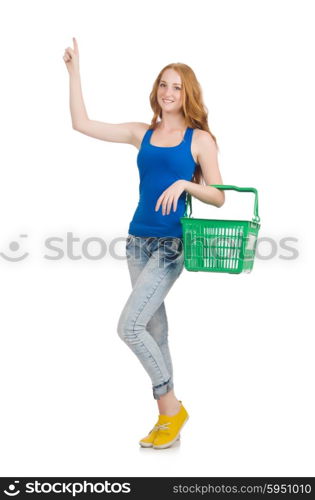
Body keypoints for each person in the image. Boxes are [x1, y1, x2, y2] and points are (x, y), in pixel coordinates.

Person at [63, 37, 225, 449]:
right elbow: (82, 124)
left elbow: (220, 195)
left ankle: (171, 406)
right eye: (163, 85)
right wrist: (74, 73)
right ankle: (166, 421)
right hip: (137, 243)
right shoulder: (143, 133)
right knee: (155, 329)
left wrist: (187, 182)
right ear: (156, 90)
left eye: (177, 87)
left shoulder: (200, 139)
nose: (168, 92)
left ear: (188, 94)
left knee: (129, 327)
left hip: (172, 246)